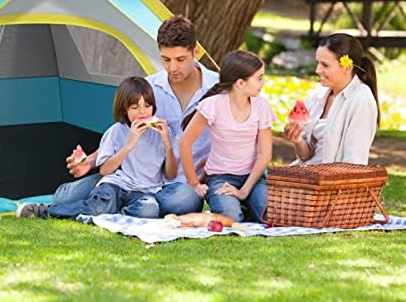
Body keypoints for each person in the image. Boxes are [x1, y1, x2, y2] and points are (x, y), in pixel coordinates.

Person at [17, 15, 219, 218]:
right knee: (67, 198)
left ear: (195, 52)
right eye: (166, 60)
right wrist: (90, 160)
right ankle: (97, 201)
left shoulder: (218, 89)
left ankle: (117, 205)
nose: (172, 68)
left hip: (179, 184)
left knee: (184, 201)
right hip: (134, 175)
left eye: (180, 60)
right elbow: (123, 132)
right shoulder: (148, 88)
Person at [23, 77, 177, 219]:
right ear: (124, 110)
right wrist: (130, 145)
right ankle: (45, 211)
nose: (142, 112)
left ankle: (112, 216)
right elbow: (104, 170)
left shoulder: (163, 133)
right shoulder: (116, 131)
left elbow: (170, 175)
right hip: (116, 185)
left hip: (145, 192)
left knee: (149, 209)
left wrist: (168, 144)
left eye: (147, 106)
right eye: (135, 107)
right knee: (100, 207)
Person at [179, 50, 275, 223]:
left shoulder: (261, 106)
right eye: (259, 78)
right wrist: (194, 183)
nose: (263, 82)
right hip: (220, 177)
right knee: (231, 217)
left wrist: (244, 191)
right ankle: (235, 205)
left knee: (269, 216)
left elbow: (265, 154)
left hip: (253, 177)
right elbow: (184, 143)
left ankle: (244, 202)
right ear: (240, 83)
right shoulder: (213, 105)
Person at [283, 33, 380, 165]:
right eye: (318, 63)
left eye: (325, 65)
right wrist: (297, 140)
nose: (317, 70)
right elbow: (306, 156)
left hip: (333, 177)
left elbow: (354, 161)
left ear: (347, 67)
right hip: (306, 172)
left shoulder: (361, 99)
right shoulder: (318, 93)